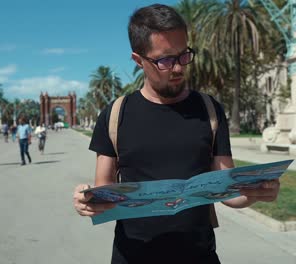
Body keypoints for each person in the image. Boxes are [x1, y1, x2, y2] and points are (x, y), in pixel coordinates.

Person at [72, 4, 281, 264]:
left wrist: (255, 193)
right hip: (132, 256)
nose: (179, 68)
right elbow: (104, 188)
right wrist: (88, 200)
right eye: (165, 60)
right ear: (138, 60)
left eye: (184, 55)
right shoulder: (115, 114)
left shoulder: (210, 110)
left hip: (199, 256)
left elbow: (227, 190)